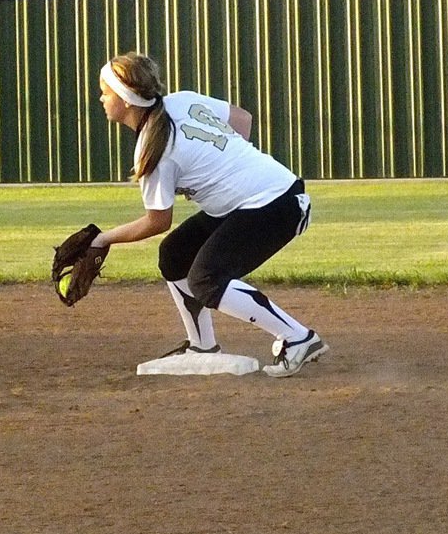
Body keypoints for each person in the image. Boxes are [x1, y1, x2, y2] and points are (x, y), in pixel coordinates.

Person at [92, 51, 328, 377]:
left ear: (126, 98)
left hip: (274, 205)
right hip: (266, 196)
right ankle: (201, 345)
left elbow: (157, 221)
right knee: (175, 254)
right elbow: (242, 119)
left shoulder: (152, 150)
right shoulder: (183, 100)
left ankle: (297, 338)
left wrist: (103, 240)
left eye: (106, 91)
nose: (101, 98)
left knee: (205, 279)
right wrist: (228, 166)